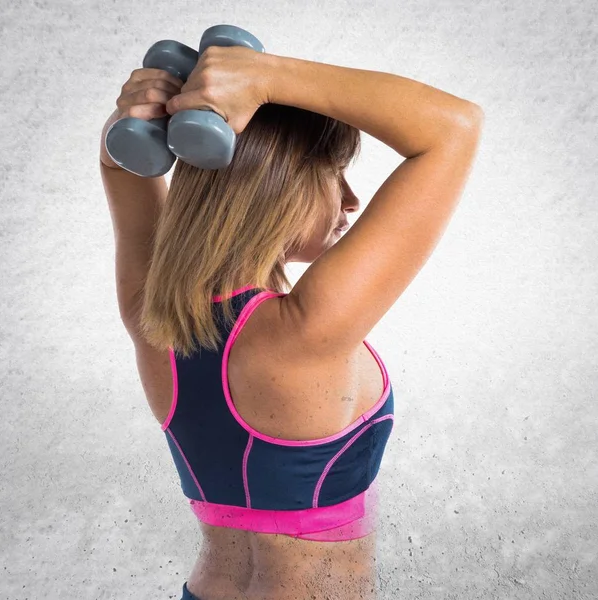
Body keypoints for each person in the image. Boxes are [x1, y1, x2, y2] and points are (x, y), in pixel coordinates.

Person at [100, 44, 483, 600]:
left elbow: (120, 159)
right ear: (277, 188)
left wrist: (136, 116)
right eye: (334, 175)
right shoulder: (304, 333)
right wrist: (265, 76)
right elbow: (455, 127)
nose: (352, 201)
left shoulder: (152, 316)